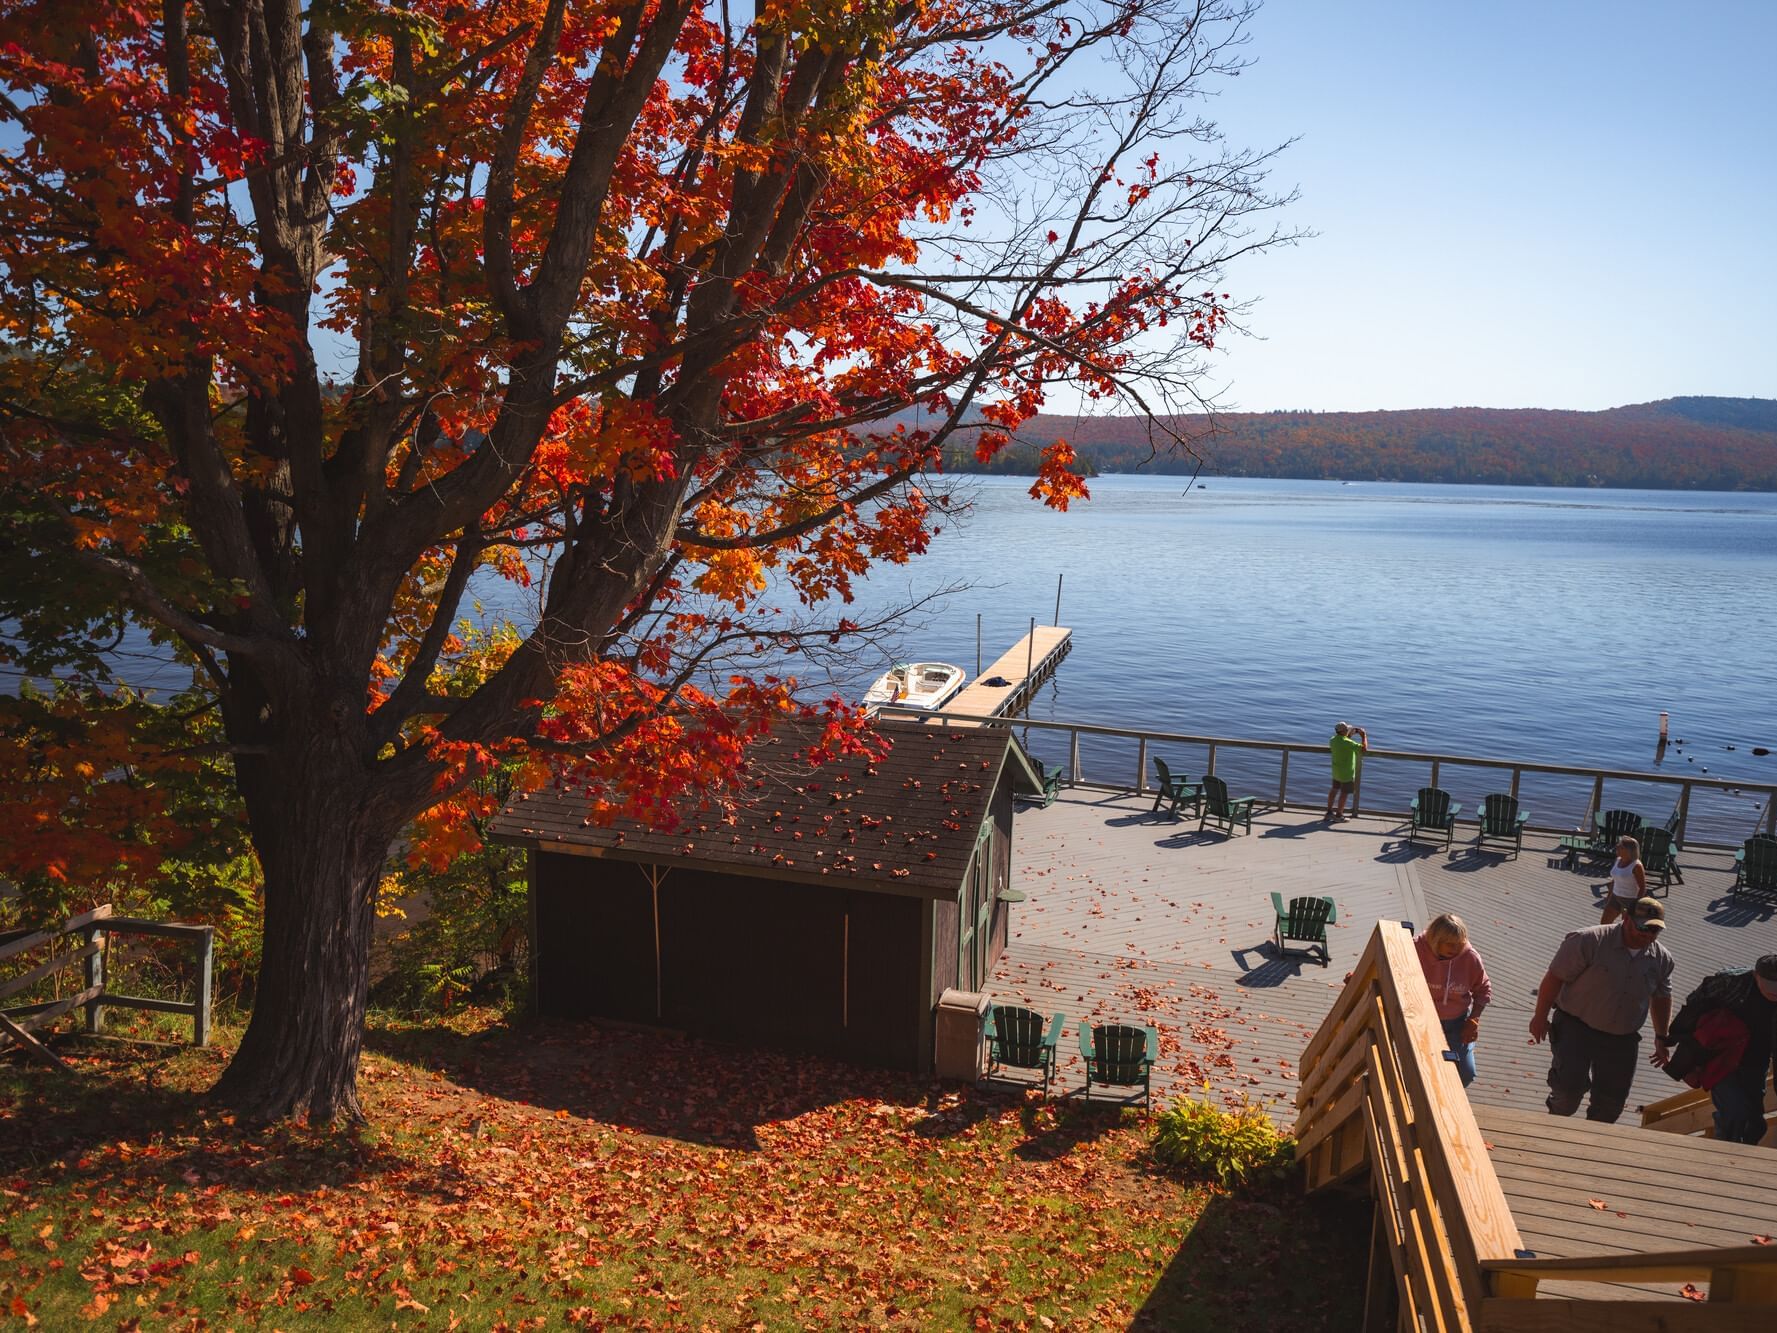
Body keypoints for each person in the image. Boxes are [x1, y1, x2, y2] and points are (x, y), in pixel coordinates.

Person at [1528, 897, 1674, 1123]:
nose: (1648, 934)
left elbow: (1662, 997)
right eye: (1643, 926)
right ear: (1626, 918)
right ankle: (1553, 1125)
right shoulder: (1588, 940)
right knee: (1568, 1091)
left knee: (1610, 1105)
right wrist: (1540, 1017)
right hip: (1576, 1027)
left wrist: (1661, 1037)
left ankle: (1590, 1147)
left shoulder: (1662, 959)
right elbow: (1554, 978)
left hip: (1622, 1039)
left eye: (1655, 930)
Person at [1665, 954, 1777, 1144]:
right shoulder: (1731, 982)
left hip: (1756, 1062)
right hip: (1719, 1057)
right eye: (1770, 984)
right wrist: (1672, 1039)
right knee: (1734, 1111)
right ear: (1756, 975)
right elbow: (1694, 1004)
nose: (1774, 992)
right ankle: (1721, 1155)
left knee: (1756, 1124)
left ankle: (1740, 1161)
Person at [1414, 914, 1493, 1088]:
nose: (1455, 948)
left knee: (1466, 1073)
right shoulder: (1416, 949)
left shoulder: (1470, 958)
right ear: (1435, 940)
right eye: (1449, 943)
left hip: (1456, 1022)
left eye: (1459, 943)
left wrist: (1474, 1019)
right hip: (1421, 1019)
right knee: (1419, 1070)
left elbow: (1483, 989)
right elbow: (1389, 964)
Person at [1598, 835, 1648, 925]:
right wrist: (1609, 896)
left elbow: (1642, 887)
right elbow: (1615, 880)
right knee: (1604, 924)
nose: (1617, 847)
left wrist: (1635, 905)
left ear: (1628, 850)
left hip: (1630, 900)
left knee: (1625, 927)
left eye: (1620, 846)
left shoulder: (1636, 866)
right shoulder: (1618, 860)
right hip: (1615, 897)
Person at [1325, 722, 1368, 821]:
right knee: (1344, 793)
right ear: (1344, 731)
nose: (1348, 730)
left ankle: (1329, 812)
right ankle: (1339, 815)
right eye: (1347, 730)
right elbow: (1364, 749)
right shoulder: (1348, 743)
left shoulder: (1332, 740)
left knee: (1334, 790)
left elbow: (1343, 742)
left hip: (1336, 771)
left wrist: (1349, 736)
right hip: (1346, 773)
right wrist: (1363, 736)